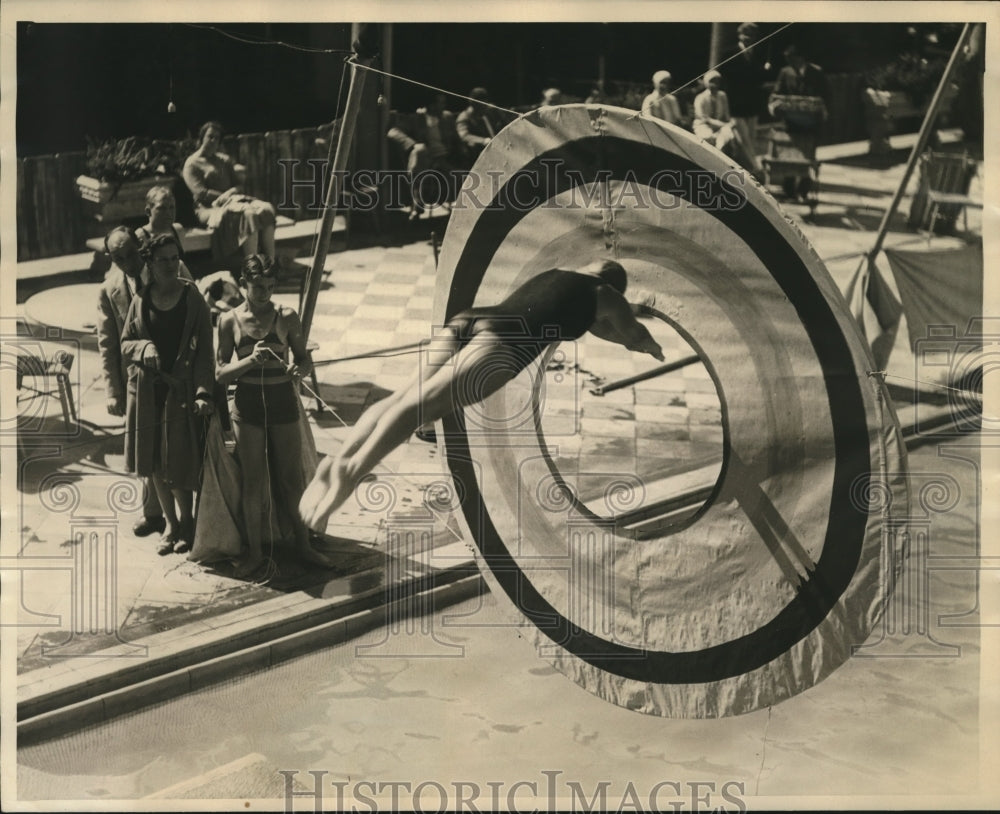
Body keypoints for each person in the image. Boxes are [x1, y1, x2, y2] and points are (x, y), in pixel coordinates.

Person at [299, 260, 665, 532]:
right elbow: (631, 335)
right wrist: (650, 343)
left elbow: (593, 323)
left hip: (470, 319)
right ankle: (352, 470)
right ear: (614, 286)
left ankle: (341, 459)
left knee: (402, 397)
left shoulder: (560, 275)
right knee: (418, 409)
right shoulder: (604, 295)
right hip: (505, 344)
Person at [216, 254, 335, 577]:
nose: (264, 293)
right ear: (243, 285)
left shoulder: (287, 316)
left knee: (291, 480)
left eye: (269, 286)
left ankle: (304, 545)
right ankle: (255, 553)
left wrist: (301, 367)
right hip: (248, 407)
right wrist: (250, 360)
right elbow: (221, 373)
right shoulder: (229, 320)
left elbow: (304, 359)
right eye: (257, 287)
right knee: (253, 482)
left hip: (283, 403)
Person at [96, 226, 192, 540]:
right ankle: (154, 515)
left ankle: (185, 519)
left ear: (142, 246)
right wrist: (114, 391)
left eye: (131, 254)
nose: (127, 262)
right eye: (118, 257)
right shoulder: (109, 289)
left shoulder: (168, 268)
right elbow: (108, 343)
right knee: (146, 449)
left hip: (174, 379)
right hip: (139, 379)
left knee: (173, 449)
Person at [121, 233, 215, 554]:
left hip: (183, 393)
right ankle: (170, 524)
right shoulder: (141, 300)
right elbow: (125, 343)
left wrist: (204, 391)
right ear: (149, 262)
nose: (171, 265)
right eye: (163, 260)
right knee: (154, 462)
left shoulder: (192, 298)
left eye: (175, 258)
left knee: (181, 460)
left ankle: (187, 522)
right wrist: (143, 344)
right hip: (149, 394)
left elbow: (205, 352)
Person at [182, 120, 277, 260]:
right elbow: (201, 193)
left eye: (217, 138)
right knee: (249, 214)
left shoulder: (224, 160)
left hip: (234, 201)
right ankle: (253, 267)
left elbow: (239, 185)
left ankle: (270, 263)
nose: (213, 140)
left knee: (267, 209)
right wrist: (225, 197)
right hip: (208, 209)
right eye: (210, 136)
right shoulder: (192, 163)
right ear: (202, 137)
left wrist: (232, 193)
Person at [769, 44, 830, 198]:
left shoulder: (817, 73)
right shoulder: (785, 72)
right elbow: (776, 93)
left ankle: (803, 189)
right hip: (791, 123)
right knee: (789, 156)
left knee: (807, 157)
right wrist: (776, 105)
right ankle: (789, 189)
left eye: (792, 59)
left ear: (801, 58)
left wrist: (820, 111)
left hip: (810, 124)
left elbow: (826, 96)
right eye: (788, 60)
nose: (790, 63)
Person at [386, 95, 461, 219]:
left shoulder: (446, 117)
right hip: (427, 159)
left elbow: (456, 139)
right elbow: (393, 131)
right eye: (440, 103)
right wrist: (413, 144)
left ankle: (461, 214)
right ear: (431, 106)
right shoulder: (416, 119)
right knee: (419, 153)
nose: (443, 106)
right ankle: (418, 204)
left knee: (459, 176)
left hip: (445, 158)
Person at [719, 23, 770, 175]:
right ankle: (755, 169)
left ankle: (745, 169)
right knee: (742, 138)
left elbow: (760, 80)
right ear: (739, 35)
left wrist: (765, 70)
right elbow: (725, 77)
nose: (748, 38)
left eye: (752, 36)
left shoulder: (759, 55)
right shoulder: (729, 53)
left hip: (752, 104)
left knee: (751, 137)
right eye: (745, 35)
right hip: (736, 104)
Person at [455, 87, 507, 164]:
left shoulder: (490, 109)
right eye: (480, 105)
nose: (484, 108)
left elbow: (505, 122)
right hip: (479, 154)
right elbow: (464, 136)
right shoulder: (464, 118)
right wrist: (483, 141)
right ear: (472, 103)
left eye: (485, 104)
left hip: (500, 148)